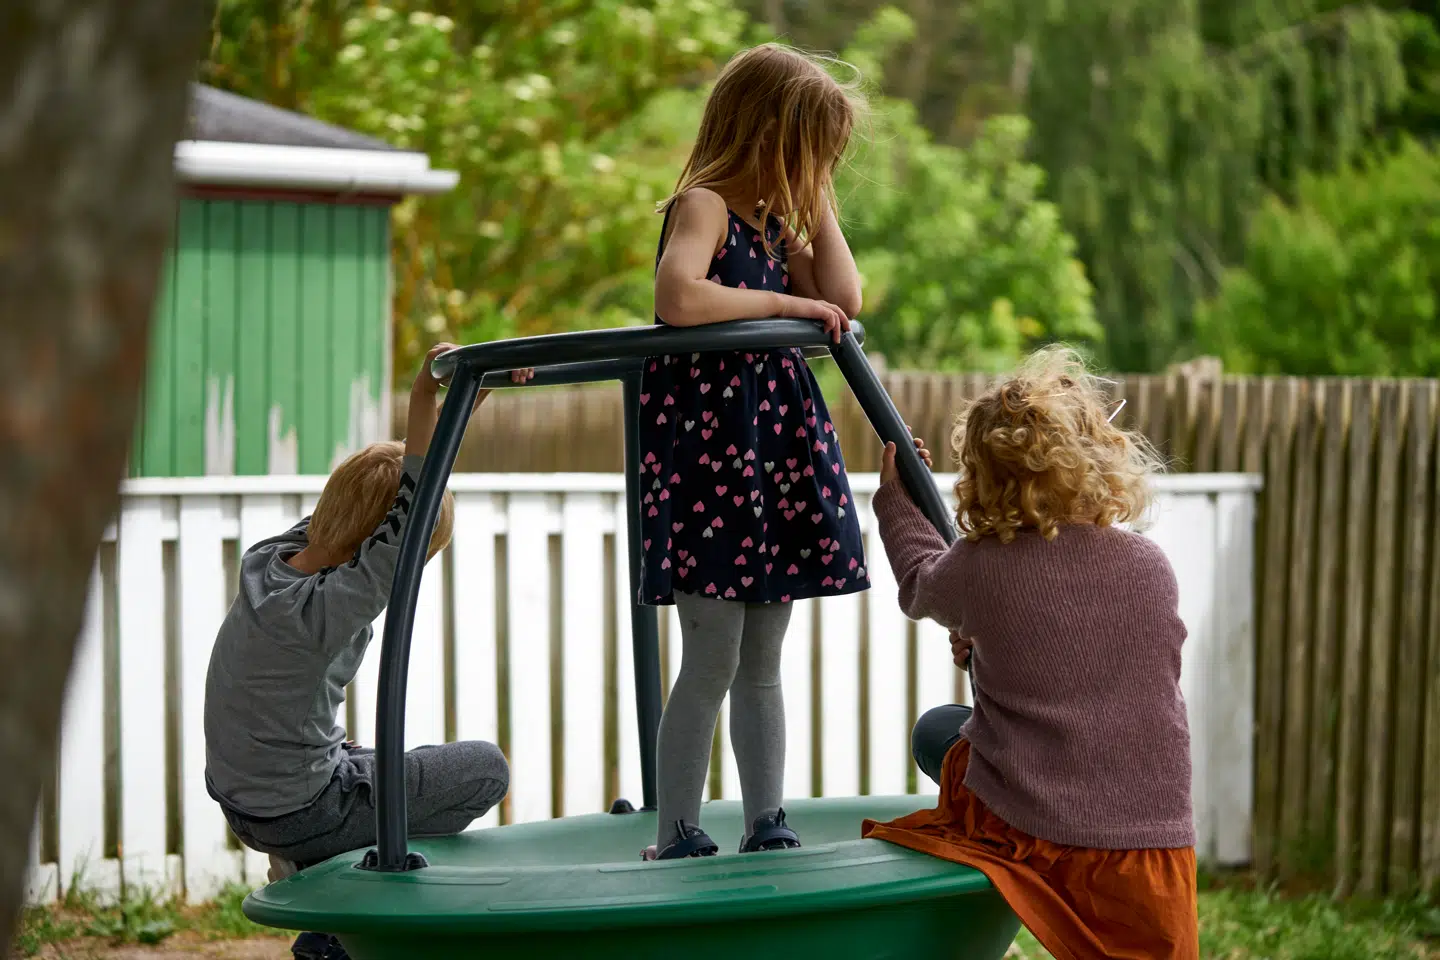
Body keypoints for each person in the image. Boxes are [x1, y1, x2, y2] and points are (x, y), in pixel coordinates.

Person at [863, 346, 1199, 959]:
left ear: (980, 479)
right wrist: (996, 647)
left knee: (937, 731)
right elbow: (1121, 668)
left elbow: (920, 583)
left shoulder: (981, 567)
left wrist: (896, 500)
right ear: (1100, 461)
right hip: (1151, 839)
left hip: (1034, 826)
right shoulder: (1151, 566)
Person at [203, 344, 531, 960]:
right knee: (486, 769)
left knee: (378, 758)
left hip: (242, 793)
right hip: (300, 807)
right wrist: (424, 397)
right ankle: (336, 914)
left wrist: (471, 399)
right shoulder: (323, 611)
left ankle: (315, 886)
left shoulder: (270, 563)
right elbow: (397, 527)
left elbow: (375, 509)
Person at [637, 43, 870, 859]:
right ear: (767, 136)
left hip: (771, 454)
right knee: (712, 654)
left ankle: (766, 821)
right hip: (714, 458)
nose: (817, 170)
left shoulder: (776, 225)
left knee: (764, 657)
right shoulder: (703, 205)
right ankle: (677, 830)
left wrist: (818, 200)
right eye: (811, 152)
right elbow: (679, 294)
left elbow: (842, 299)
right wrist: (780, 301)